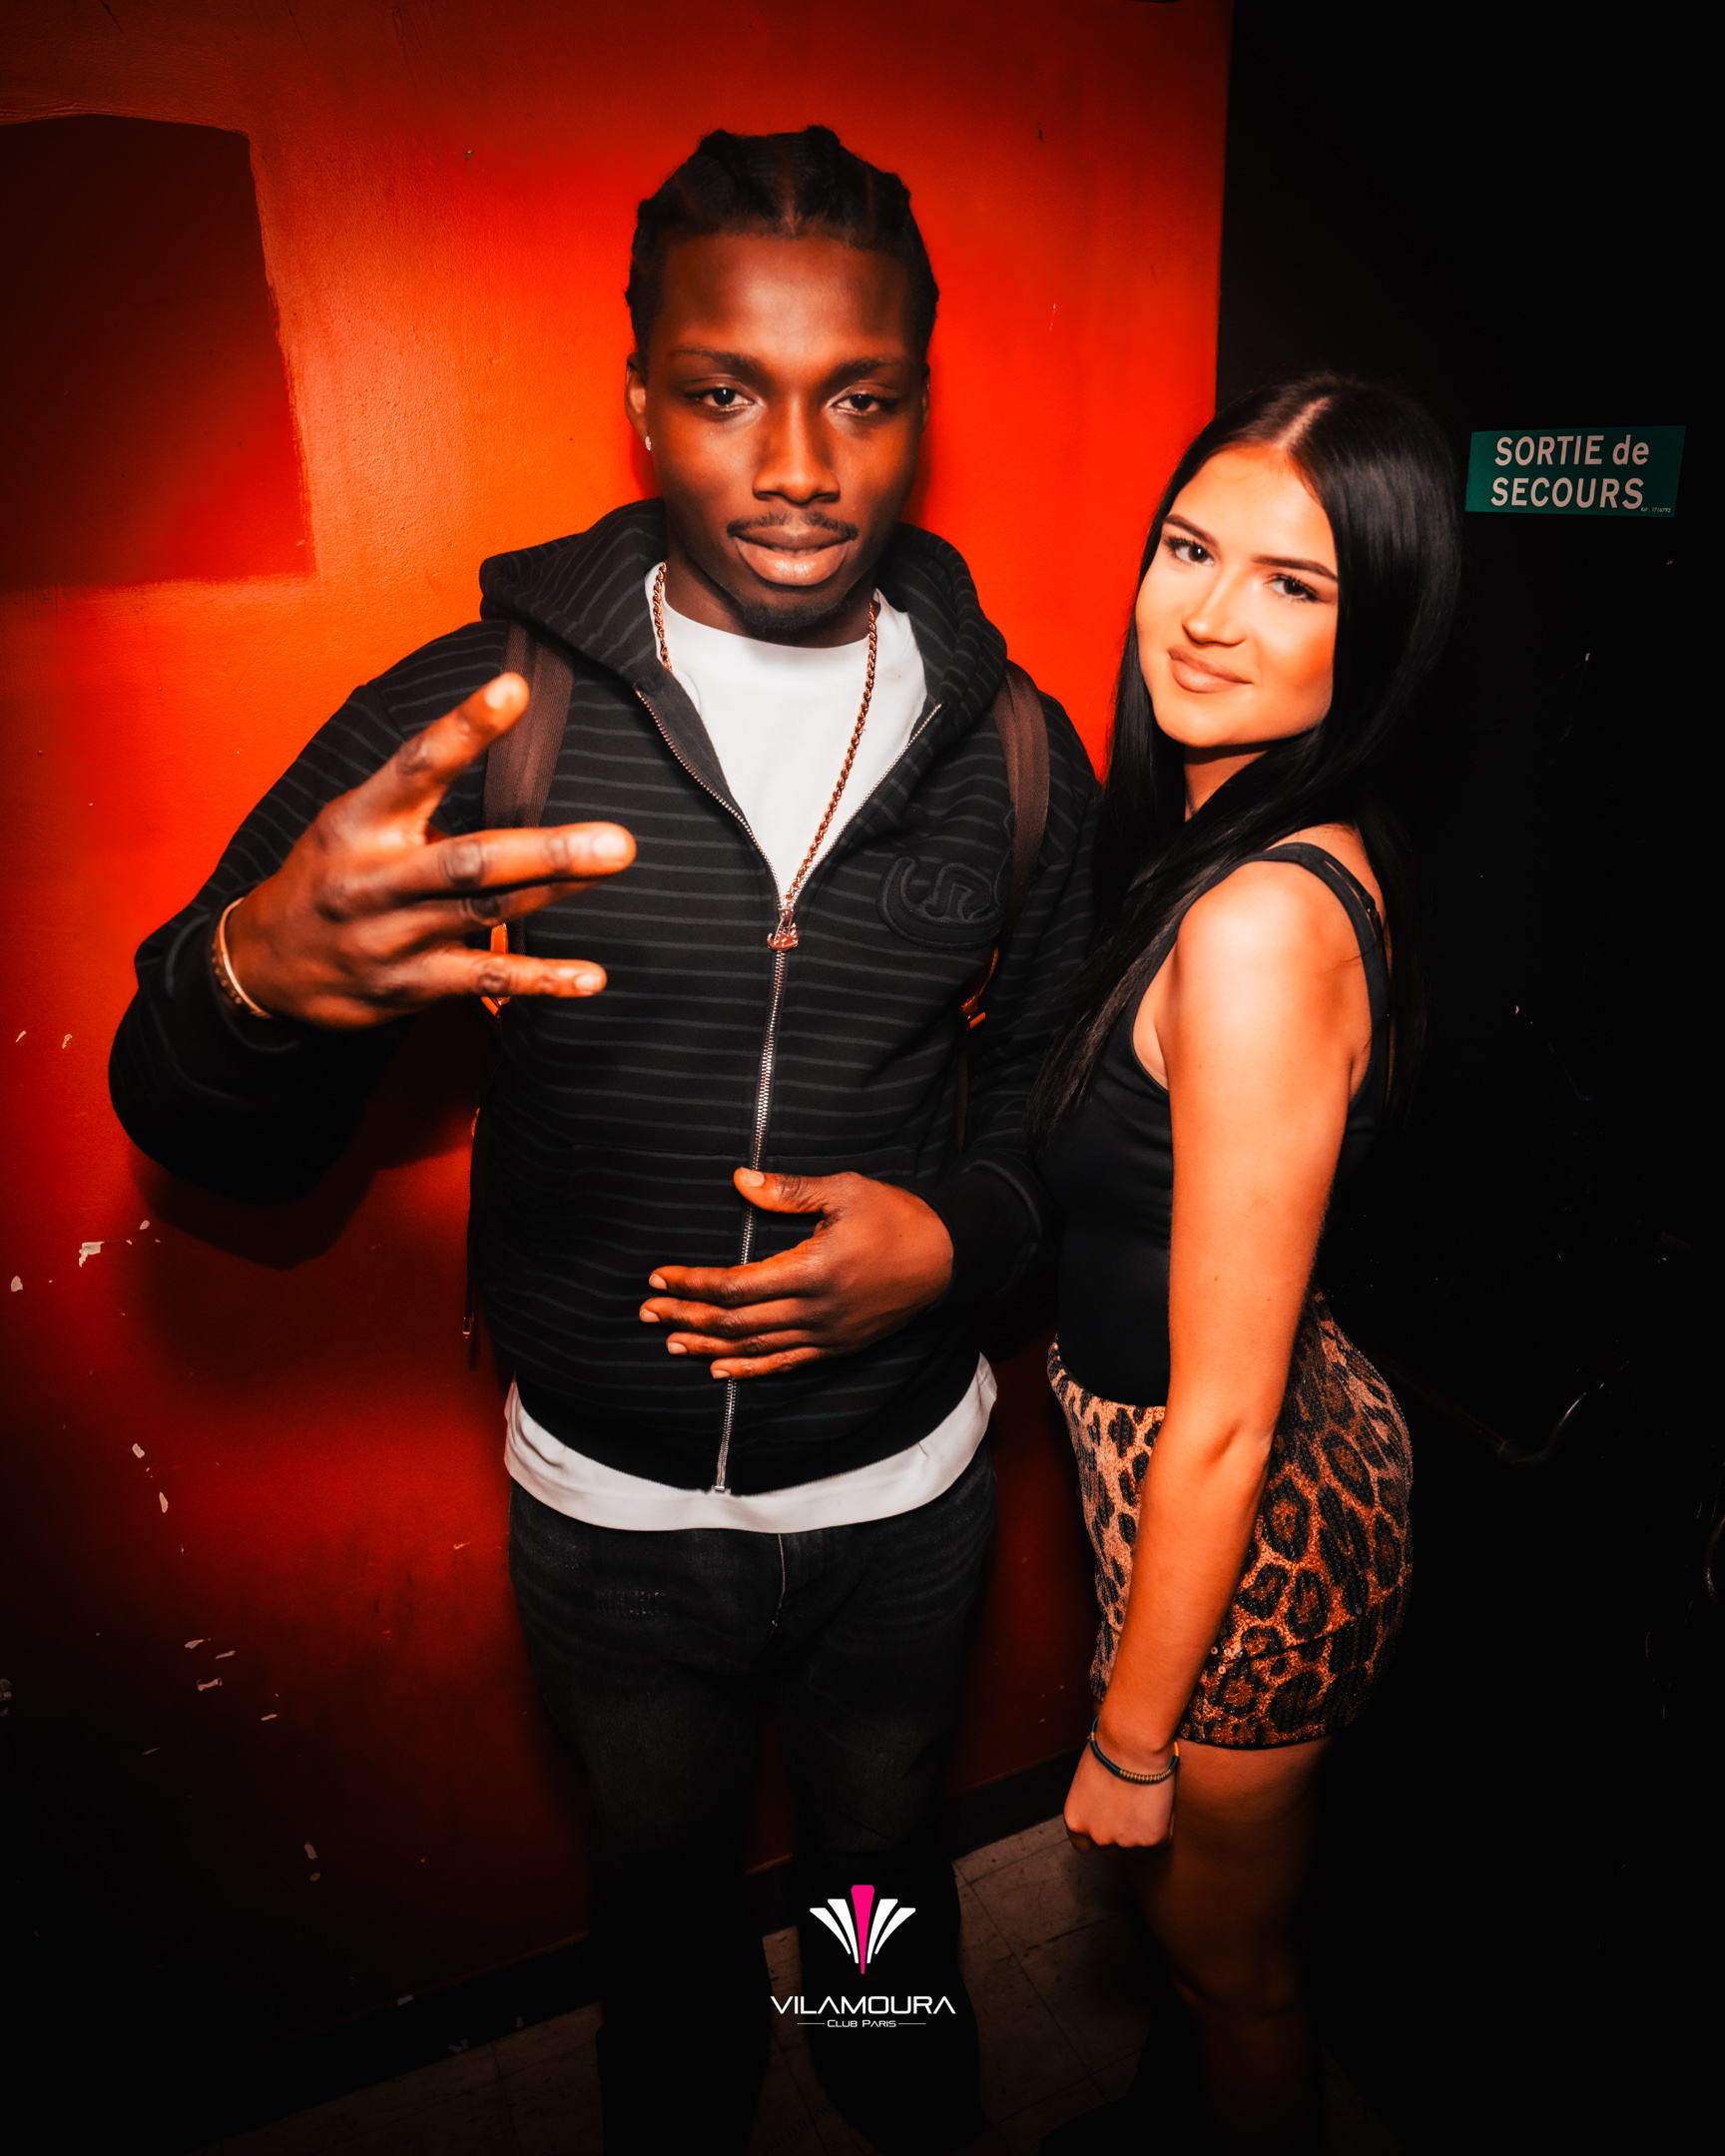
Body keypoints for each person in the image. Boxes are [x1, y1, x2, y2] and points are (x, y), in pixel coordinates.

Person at [109, 127, 1098, 2155]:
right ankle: (684, 2093)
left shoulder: (1011, 743)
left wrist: (960, 1243)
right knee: (658, 1887)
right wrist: (245, 983)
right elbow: (194, 1116)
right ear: (640, 400)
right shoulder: (488, 712)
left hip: (903, 1496)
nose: (799, 465)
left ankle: (889, 2055)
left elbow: (1052, 1103)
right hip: (614, 1519)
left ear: (919, 402)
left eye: (860, 398)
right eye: (730, 392)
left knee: (881, 1856)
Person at [1033, 377, 1457, 2153]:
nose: (1207, 615)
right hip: (1241, 1469)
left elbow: (1219, 1414)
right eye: (1190, 549)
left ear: (1382, 634)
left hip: (1245, 1524)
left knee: (1232, 1975)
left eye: (1294, 584)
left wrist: (1132, 1742)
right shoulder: (1244, 840)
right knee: (1205, 1968)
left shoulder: (1265, 917)